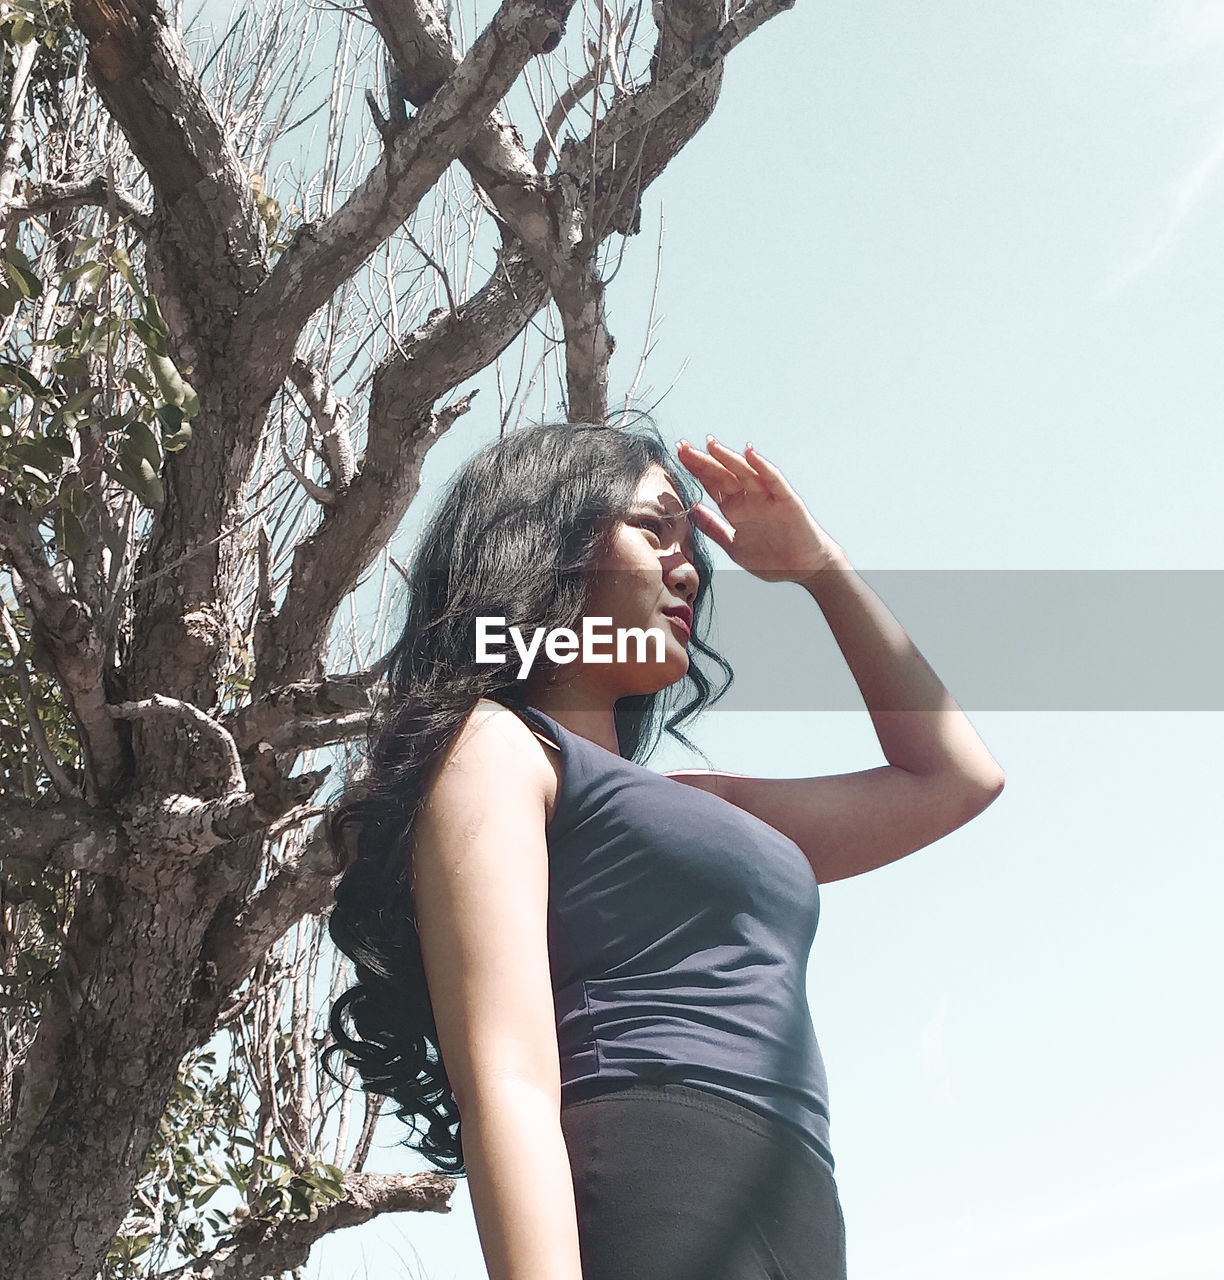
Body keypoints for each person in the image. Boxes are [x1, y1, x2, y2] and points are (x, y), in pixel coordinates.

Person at [323, 419, 1005, 1280]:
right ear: (550, 541)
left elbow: (955, 779)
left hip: (796, 1195)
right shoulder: (497, 748)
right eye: (654, 530)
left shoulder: (701, 804)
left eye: (692, 546)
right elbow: (509, 1081)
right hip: (657, 1168)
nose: (688, 568)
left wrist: (819, 571)